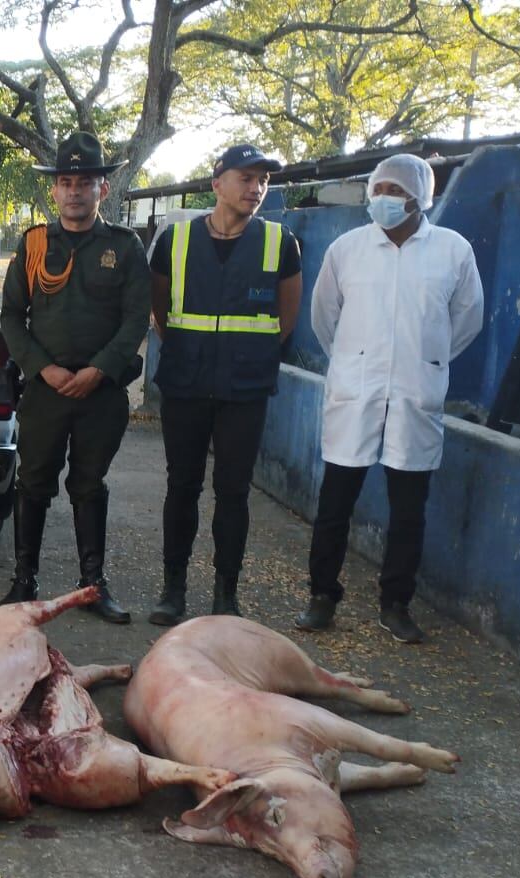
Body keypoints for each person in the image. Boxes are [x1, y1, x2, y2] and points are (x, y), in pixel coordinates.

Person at [298, 154, 483, 644]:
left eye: (395, 192)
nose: (383, 199)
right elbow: (324, 318)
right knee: (336, 499)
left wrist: (426, 361)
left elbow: (466, 321)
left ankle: (396, 603)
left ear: (420, 198)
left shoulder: (452, 251)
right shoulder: (347, 249)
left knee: (409, 509)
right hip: (355, 392)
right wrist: (354, 360)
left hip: (414, 394)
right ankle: (321, 595)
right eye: (378, 189)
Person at [147, 144, 303, 626]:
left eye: (263, 181)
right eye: (246, 178)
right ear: (217, 183)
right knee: (182, 486)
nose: (256, 189)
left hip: (245, 388)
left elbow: (286, 318)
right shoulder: (174, 240)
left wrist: (247, 357)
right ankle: (173, 590)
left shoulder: (281, 243)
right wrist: (192, 351)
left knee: (233, 491)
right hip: (187, 382)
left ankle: (225, 594)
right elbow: (161, 311)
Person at [0, 132, 151, 624]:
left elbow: (135, 320)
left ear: (102, 189)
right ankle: (24, 581)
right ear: (55, 190)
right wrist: (44, 367)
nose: (74, 191)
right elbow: (10, 316)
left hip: (100, 392)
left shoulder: (124, 248)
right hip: (45, 390)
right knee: (33, 481)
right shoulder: (35, 244)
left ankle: (92, 585)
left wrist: (98, 371)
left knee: (89, 484)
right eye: (66, 182)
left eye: (85, 182)